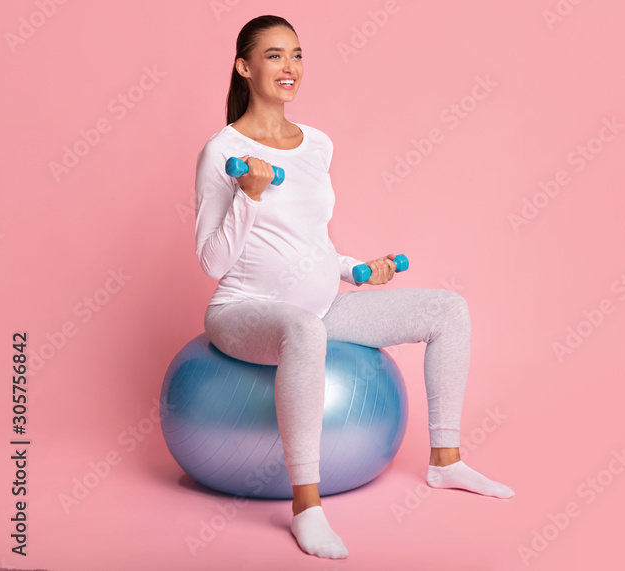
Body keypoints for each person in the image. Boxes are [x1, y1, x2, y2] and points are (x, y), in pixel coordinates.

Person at [193, 14, 513, 560]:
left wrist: (356, 270)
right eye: (273, 56)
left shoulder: (317, 145)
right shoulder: (220, 151)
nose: (289, 66)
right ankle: (307, 509)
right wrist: (248, 195)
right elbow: (211, 260)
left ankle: (445, 461)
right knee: (300, 327)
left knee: (448, 308)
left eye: (296, 54)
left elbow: (307, 241)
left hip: (319, 308)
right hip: (243, 311)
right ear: (244, 68)